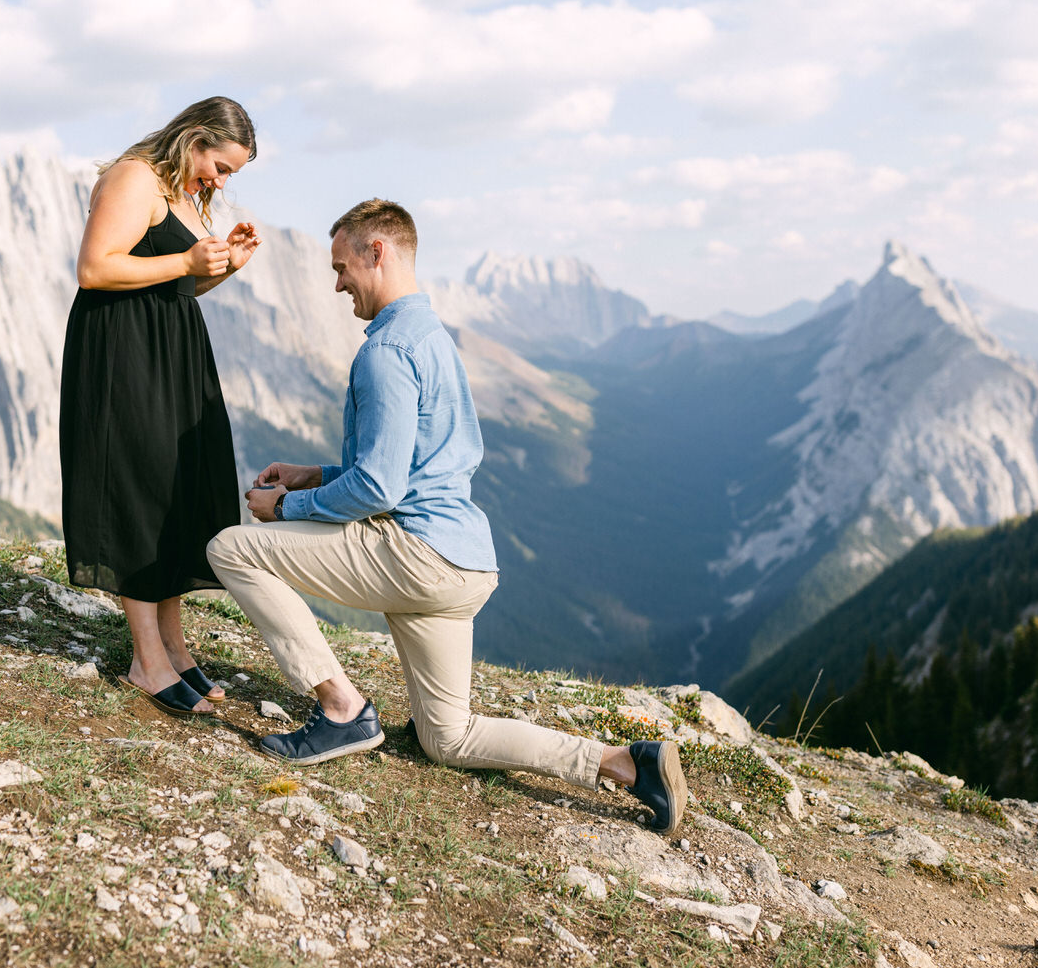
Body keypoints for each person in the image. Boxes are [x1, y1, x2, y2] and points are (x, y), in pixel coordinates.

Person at [206, 199, 687, 833]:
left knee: (232, 549)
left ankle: (341, 708)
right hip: (463, 565)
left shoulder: (384, 353)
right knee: (447, 738)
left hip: (415, 557)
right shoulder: (433, 338)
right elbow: (417, 463)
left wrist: (286, 505)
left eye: (342, 265)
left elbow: (379, 485)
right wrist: (317, 474)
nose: (337, 282)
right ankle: (627, 764)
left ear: (378, 252)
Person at [60, 97, 261, 717]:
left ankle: (175, 650)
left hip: (169, 347)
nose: (221, 182)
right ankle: (146, 661)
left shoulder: (178, 190)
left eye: (231, 175)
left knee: (176, 488)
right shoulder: (134, 177)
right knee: (141, 489)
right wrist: (186, 258)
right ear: (195, 138)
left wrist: (223, 266)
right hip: (124, 353)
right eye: (221, 167)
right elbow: (95, 270)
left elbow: (173, 281)